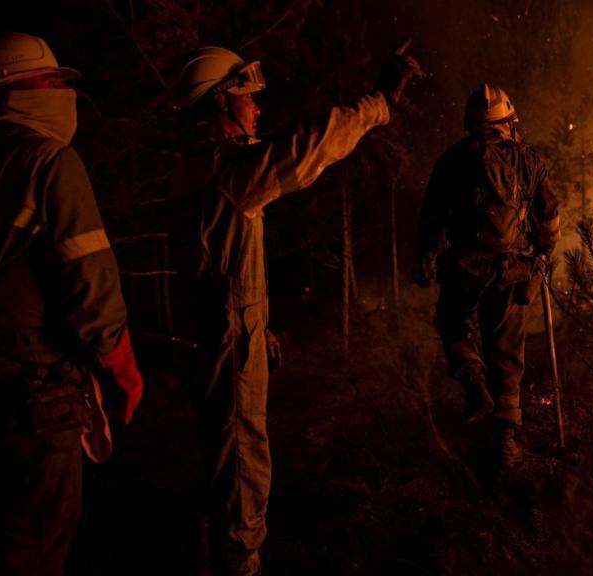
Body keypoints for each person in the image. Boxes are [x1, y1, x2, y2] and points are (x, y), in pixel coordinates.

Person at [167, 43, 422, 575]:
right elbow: (307, 148)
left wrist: (258, 325)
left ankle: (211, 555)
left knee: (219, 458)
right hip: (227, 344)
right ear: (220, 102)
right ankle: (240, 564)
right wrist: (379, 102)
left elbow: (221, 270)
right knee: (241, 458)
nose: (258, 109)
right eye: (248, 99)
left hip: (224, 333)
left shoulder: (197, 167)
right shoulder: (226, 170)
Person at [0, 31, 143, 574]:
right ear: (17, 90)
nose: (63, 91)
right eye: (52, 80)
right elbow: (91, 281)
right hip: (39, 397)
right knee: (36, 553)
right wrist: (122, 367)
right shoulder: (49, 162)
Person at [412, 83, 560, 470]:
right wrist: (543, 254)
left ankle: (474, 382)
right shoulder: (531, 161)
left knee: (454, 327)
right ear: (510, 121)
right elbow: (548, 217)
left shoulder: (451, 161)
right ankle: (506, 444)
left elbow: (432, 217)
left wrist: (425, 258)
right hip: (511, 271)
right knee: (507, 356)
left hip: (463, 268)